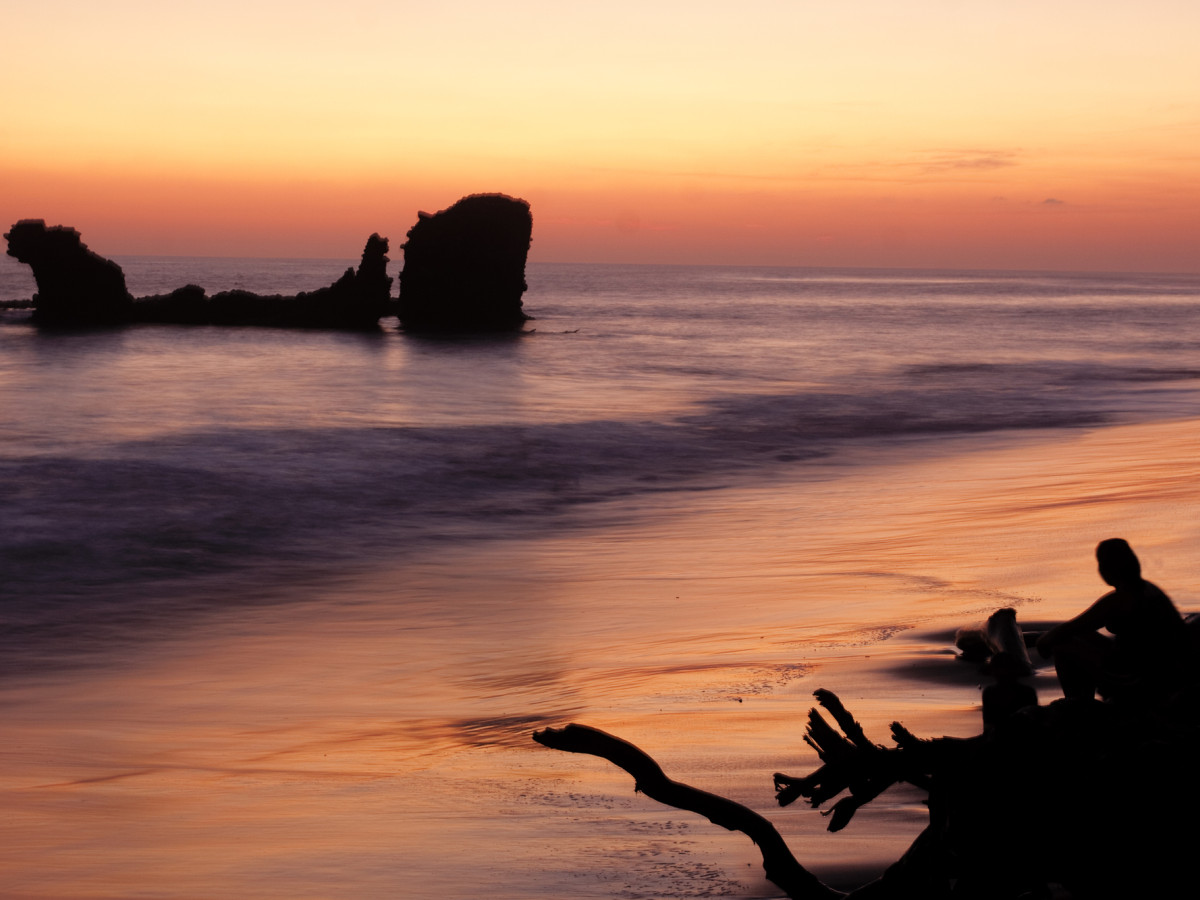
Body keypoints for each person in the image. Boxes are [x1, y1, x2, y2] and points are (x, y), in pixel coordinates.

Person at [1036, 538, 1188, 701]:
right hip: (1161, 669)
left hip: (1141, 678)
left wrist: (1043, 642)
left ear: (1107, 570)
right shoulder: (1149, 589)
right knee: (1079, 636)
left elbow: (1066, 630)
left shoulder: (1121, 600)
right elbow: (1079, 628)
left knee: (1062, 645)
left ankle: (1079, 703)